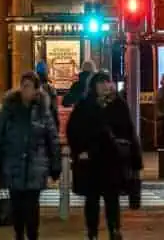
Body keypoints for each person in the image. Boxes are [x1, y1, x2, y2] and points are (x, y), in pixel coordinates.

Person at [66, 72, 142, 240]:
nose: (104, 86)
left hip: (112, 159)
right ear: (94, 86)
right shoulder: (85, 105)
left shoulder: (118, 105)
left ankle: (114, 229)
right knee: (92, 199)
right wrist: (79, 150)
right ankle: (92, 232)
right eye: (100, 83)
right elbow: (73, 130)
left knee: (112, 198)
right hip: (91, 161)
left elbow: (129, 131)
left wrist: (136, 160)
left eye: (107, 82)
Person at [0, 71, 60, 240]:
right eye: (23, 85)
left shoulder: (43, 109)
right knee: (17, 206)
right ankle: (19, 234)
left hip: (36, 165)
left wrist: (55, 164)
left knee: (32, 206)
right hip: (13, 164)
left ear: (36, 89)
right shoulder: (10, 108)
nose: (25, 89)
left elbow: (52, 137)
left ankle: (33, 235)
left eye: (29, 86)